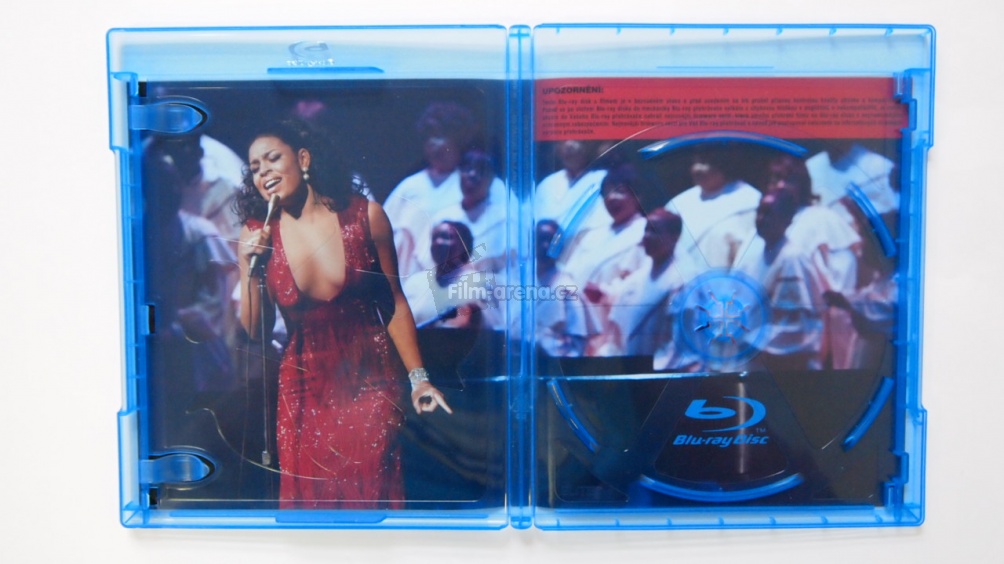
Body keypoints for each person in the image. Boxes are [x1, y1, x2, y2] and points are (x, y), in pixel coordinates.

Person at [236, 120, 451, 509]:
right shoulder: (256, 235)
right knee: (312, 505)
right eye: (255, 168)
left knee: (369, 496)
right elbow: (255, 331)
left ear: (303, 159)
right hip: (303, 390)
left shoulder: (365, 217)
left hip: (369, 379)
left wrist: (419, 380)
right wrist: (250, 269)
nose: (264, 172)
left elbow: (394, 302)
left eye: (272, 159)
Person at [766, 154, 861, 369]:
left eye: (787, 179)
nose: (779, 185)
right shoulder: (768, 220)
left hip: (820, 323)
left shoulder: (821, 217)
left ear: (802, 183)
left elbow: (845, 271)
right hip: (777, 327)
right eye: (774, 179)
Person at [583, 210, 700, 370]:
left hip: (664, 373)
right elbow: (619, 325)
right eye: (646, 230)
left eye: (655, 231)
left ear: (674, 237)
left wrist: (653, 372)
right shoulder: (638, 277)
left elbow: (680, 345)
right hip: (633, 369)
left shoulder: (684, 280)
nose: (647, 236)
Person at [383, 102, 478, 278]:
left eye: (439, 135)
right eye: (428, 137)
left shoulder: (476, 185)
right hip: (413, 285)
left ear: (459, 138)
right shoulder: (409, 187)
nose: (432, 143)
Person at [735, 191, 826, 371]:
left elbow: (794, 322)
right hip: (755, 360)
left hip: (785, 365)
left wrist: (754, 343)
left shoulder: (792, 258)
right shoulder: (755, 256)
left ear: (787, 219)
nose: (761, 219)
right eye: (759, 212)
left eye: (769, 214)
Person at [665, 147, 762, 271]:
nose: (696, 169)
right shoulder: (679, 202)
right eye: (695, 162)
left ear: (723, 165)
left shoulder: (750, 201)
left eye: (705, 162)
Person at [402, 221, 491, 329]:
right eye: (434, 238)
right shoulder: (414, 282)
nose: (438, 242)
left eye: (446, 237)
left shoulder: (478, 282)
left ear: (464, 245)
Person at [534, 220, 589, 358]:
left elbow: (576, 345)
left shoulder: (567, 289)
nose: (545, 246)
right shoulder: (518, 283)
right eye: (541, 239)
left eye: (552, 241)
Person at [534, 140, 609, 228]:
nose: (570, 146)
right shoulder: (547, 184)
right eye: (564, 142)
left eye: (577, 141)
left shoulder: (603, 178)